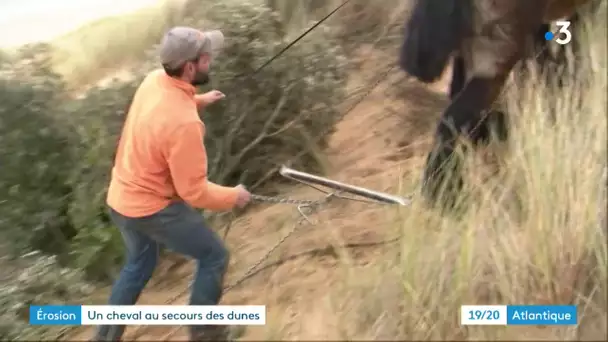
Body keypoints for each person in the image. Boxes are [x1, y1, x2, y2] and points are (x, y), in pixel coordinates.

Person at [94, 26, 251, 341]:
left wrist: (199, 99)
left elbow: (165, 109)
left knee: (139, 263)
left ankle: (103, 338)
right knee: (214, 256)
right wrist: (234, 196)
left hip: (121, 200)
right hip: (153, 208)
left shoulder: (154, 80)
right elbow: (194, 192)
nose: (212, 61)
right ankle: (205, 334)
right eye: (207, 58)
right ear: (191, 67)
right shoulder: (184, 125)